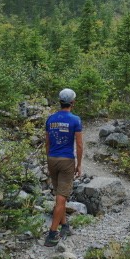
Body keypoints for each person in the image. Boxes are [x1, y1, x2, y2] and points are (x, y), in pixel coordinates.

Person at [44, 88, 83, 246]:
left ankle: (64, 225)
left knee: (59, 195)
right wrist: (79, 164)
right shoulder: (75, 120)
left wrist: (49, 158)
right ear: (72, 102)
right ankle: (52, 233)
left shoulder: (51, 119)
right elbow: (79, 145)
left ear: (60, 101)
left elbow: (47, 142)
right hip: (66, 160)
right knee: (62, 197)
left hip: (52, 158)